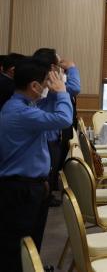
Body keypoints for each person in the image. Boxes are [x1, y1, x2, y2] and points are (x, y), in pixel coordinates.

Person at [0, 58, 73, 272]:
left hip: (27, 184)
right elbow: (64, 119)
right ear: (34, 86)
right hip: (20, 189)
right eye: (46, 83)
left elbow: (47, 113)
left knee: (29, 240)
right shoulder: (22, 113)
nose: (48, 87)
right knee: (19, 246)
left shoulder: (21, 105)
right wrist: (62, 92)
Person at [33, 48, 80, 207]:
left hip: (48, 135)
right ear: (53, 68)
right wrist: (72, 68)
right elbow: (74, 88)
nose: (61, 68)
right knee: (46, 176)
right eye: (59, 64)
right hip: (48, 137)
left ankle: (46, 197)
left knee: (48, 174)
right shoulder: (49, 84)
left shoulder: (39, 81)